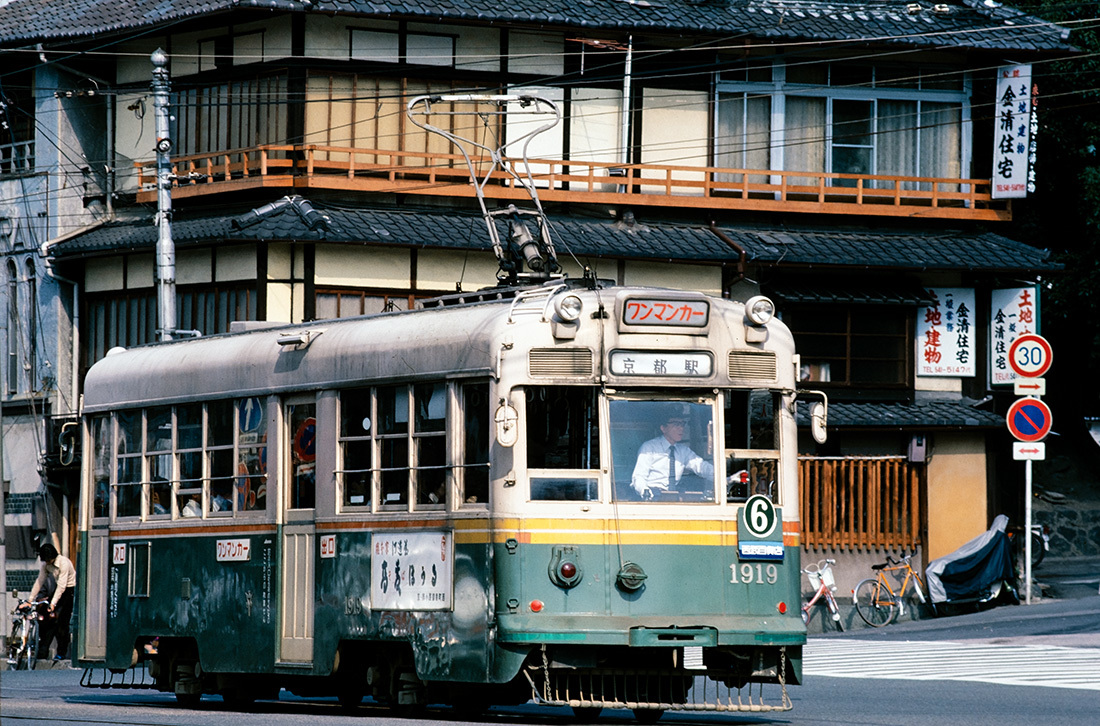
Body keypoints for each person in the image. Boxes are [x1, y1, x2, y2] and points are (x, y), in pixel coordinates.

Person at [630, 406, 715, 499]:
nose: (681, 428)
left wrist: (724, 479)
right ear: (663, 428)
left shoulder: (683, 451)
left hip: (674, 497)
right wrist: (645, 492)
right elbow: (638, 477)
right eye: (676, 424)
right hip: (653, 496)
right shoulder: (649, 448)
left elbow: (701, 467)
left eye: (682, 424)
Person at [25, 542, 76, 661]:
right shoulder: (46, 565)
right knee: (46, 618)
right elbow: (40, 581)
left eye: (48, 560)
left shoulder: (64, 563)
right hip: (57, 591)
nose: (47, 563)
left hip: (68, 591)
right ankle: (43, 650)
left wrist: (53, 604)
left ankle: (61, 652)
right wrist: (30, 599)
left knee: (61, 623)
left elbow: (62, 586)